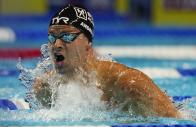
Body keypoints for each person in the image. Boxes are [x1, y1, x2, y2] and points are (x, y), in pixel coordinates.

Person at [33, 4, 181, 118]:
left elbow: (174, 122)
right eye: (52, 37)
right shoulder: (45, 88)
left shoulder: (128, 83)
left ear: (88, 45)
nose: (56, 45)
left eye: (66, 36)